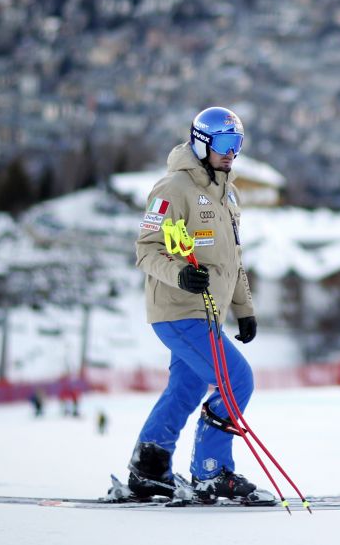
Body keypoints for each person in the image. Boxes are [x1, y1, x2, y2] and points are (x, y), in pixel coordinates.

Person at [125, 106, 258, 503]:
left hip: (208, 314)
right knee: (237, 379)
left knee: (185, 387)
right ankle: (211, 470)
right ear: (201, 143)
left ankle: (149, 468)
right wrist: (180, 273)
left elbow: (232, 260)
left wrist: (244, 309)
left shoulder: (228, 194)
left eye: (237, 144)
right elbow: (146, 251)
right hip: (178, 309)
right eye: (223, 144)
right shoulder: (172, 189)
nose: (231, 152)